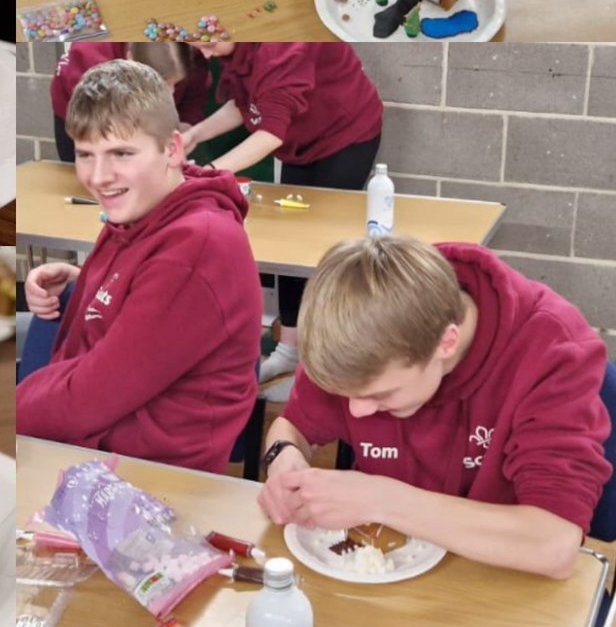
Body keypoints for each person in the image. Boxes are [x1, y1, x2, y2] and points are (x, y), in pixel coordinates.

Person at [258, 235, 612, 578]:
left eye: (382, 395)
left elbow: (554, 544)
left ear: (447, 342)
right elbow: (292, 428)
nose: (357, 412)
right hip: (392, 573)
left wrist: (383, 501)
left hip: (502, 580)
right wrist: (282, 456)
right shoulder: (360, 330)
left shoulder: (551, 351)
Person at [16, 59, 263, 473]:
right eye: (85, 154)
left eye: (121, 153)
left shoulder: (196, 245)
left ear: (172, 149)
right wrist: (89, 283)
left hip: (147, 481)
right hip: (96, 452)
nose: (98, 176)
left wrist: (12, 411)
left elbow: (90, 399)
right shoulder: (142, 206)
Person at [185, 41, 383, 391]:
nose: (206, 54)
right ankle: (289, 348)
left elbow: (271, 132)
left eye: (208, 42)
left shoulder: (283, 50)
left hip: (345, 135)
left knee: (324, 246)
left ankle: (322, 361)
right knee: (290, 242)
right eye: (197, 44)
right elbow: (246, 104)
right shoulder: (238, 47)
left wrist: (210, 172)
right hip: (300, 139)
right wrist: (195, 134)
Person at [49, 42, 211, 162]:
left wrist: (184, 124)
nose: (171, 92)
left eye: (177, 83)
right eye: (164, 84)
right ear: (131, 61)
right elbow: (105, 131)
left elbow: (194, 94)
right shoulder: (89, 61)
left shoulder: (187, 52)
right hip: (92, 120)